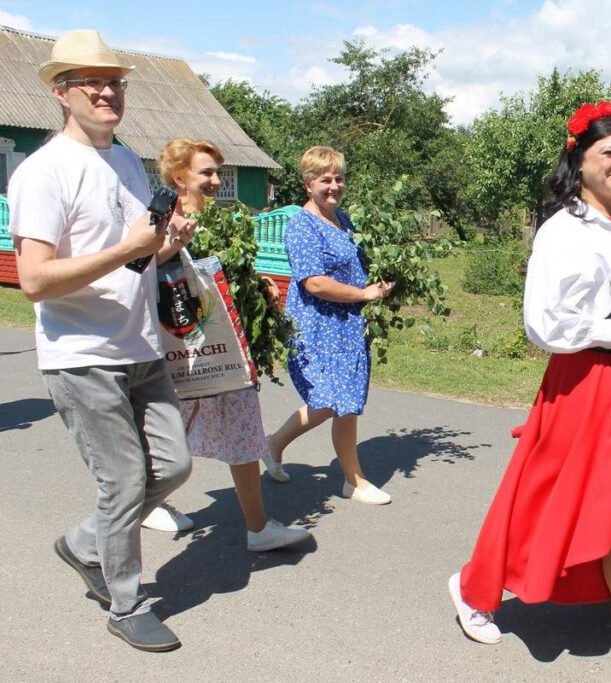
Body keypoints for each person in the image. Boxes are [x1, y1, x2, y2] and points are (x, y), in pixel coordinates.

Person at [447, 102, 611, 678]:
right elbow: (542, 323)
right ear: (578, 159)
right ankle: (472, 586)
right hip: (584, 378)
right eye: (607, 152)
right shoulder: (564, 230)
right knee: (543, 492)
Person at [9, 30, 195, 652]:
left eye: (114, 80)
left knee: (173, 465)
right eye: (91, 81)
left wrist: (166, 244)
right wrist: (128, 248)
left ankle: (86, 544)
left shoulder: (125, 159)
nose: (107, 90)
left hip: (139, 346)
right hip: (82, 355)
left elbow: (134, 262)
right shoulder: (42, 172)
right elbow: (34, 279)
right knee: (122, 480)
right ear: (62, 92)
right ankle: (126, 603)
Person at [139, 138, 310, 553]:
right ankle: (142, 506)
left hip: (225, 343)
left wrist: (257, 283)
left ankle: (257, 527)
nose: (217, 180)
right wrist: (173, 243)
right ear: (180, 177)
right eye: (207, 173)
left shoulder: (222, 221)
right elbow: (144, 268)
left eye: (219, 172)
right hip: (179, 344)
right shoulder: (161, 218)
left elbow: (229, 268)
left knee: (241, 423)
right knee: (166, 431)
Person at [267, 146, 395, 504]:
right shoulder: (301, 225)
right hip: (316, 325)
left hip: (347, 325)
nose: (334, 185)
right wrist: (362, 294)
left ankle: (351, 479)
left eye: (339, 178)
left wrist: (380, 285)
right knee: (328, 399)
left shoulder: (343, 220)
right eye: (325, 179)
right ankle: (277, 444)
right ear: (308, 184)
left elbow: (355, 266)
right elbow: (314, 283)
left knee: (348, 400)